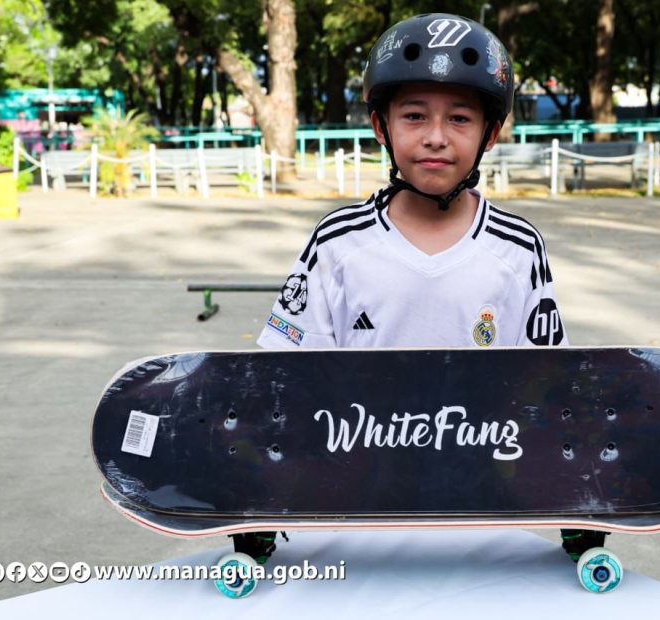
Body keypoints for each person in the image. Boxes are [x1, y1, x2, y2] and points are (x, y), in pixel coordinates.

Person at [256, 12, 598, 563]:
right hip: (349, 510)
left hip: (482, 513)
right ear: (380, 126)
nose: (436, 137)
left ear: (490, 134)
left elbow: (544, 387)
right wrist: (262, 491)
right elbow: (283, 377)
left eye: (459, 118)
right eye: (414, 115)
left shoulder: (518, 248)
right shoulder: (337, 241)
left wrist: (570, 495)